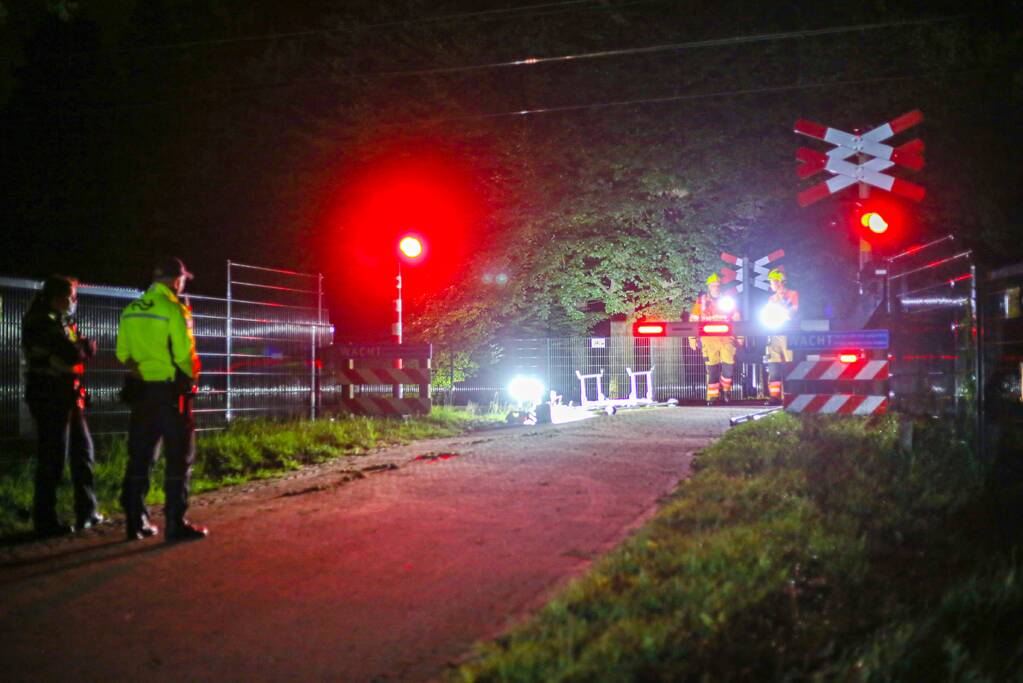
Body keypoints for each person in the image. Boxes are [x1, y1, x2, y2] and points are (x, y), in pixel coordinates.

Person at [116, 257, 207, 541]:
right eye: (182, 280)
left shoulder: (131, 309)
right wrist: (191, 379)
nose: (182, 284)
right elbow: (183, 354)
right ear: (174, 280)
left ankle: (135, 521)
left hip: (142, 391)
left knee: (140, 458)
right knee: (179, 458)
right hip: (170, 394)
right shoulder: (174, 309)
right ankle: (175, 523)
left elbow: (123, 354)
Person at [21, 275, 103, 537]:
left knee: (83, 454)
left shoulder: (61, 322)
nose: (73, 301)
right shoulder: (40, 322)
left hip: (68, 396)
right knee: (53, 459)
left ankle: (87, 512)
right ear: (57, 296)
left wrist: (79, 348)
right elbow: (71, 354)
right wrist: (79, 348)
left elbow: (78, 349)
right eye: (71, 296)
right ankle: (45, 521)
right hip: (49, 397)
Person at [689, 273, 741, 405]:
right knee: (712, 369)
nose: (716, 288)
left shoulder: (728, 301)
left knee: (728, 368)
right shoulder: (701, 302)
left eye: (718, 285)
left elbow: (737, 319)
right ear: (709, 287)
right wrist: (692, 338)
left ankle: (726, 391)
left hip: (727, 339)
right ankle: (712, 397)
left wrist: (740, 337)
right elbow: (693, 320)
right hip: (709, 340)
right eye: (713, 285)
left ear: (720, 287)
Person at [764, 268, 799, 405]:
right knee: (773, 365)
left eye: (772, 281)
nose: (771, 285)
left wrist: (781, 299)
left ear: (779, 282)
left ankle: (790, 395)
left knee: (789, 364)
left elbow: (793, 311)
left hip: (788, 334)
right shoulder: (771, 298)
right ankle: (775, 397)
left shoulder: (792, 294)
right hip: (773, 333)